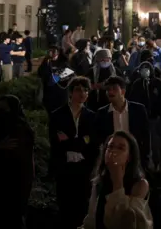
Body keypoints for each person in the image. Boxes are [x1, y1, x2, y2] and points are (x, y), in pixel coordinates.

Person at [0, 95, 35, 229]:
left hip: (17, 185)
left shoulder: (23, 130)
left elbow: (27, 157)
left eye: (4, 108)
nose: (0, 112)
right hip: (0, 185)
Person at [49, 77, 97, 229]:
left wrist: (71, 141)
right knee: (65, 206)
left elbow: (92, 141)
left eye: (85, 90)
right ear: (70, 93)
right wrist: (82, 141)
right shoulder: (57, 115)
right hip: (64, 166)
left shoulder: (91, 116)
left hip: (84, 167)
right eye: (78, 90)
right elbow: (57, 143)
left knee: (83, 205)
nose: (82, 93)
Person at [81, 131, 152, 229]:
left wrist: (117, 181)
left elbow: (125, 221)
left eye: (121, 148)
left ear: (129, 157)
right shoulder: (98, 182)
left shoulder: (140, 184)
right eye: (110, 147)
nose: (113, 151)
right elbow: (91, 220)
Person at [94, 76, 151, 170]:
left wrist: (146, 159)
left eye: (114, 89)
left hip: (134, 158)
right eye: (108, 89)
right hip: (112, 160)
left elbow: (146, 136)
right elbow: (98, 139)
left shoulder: (139, 110)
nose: (110, 92)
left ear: (123, 91)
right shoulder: (102, 113)